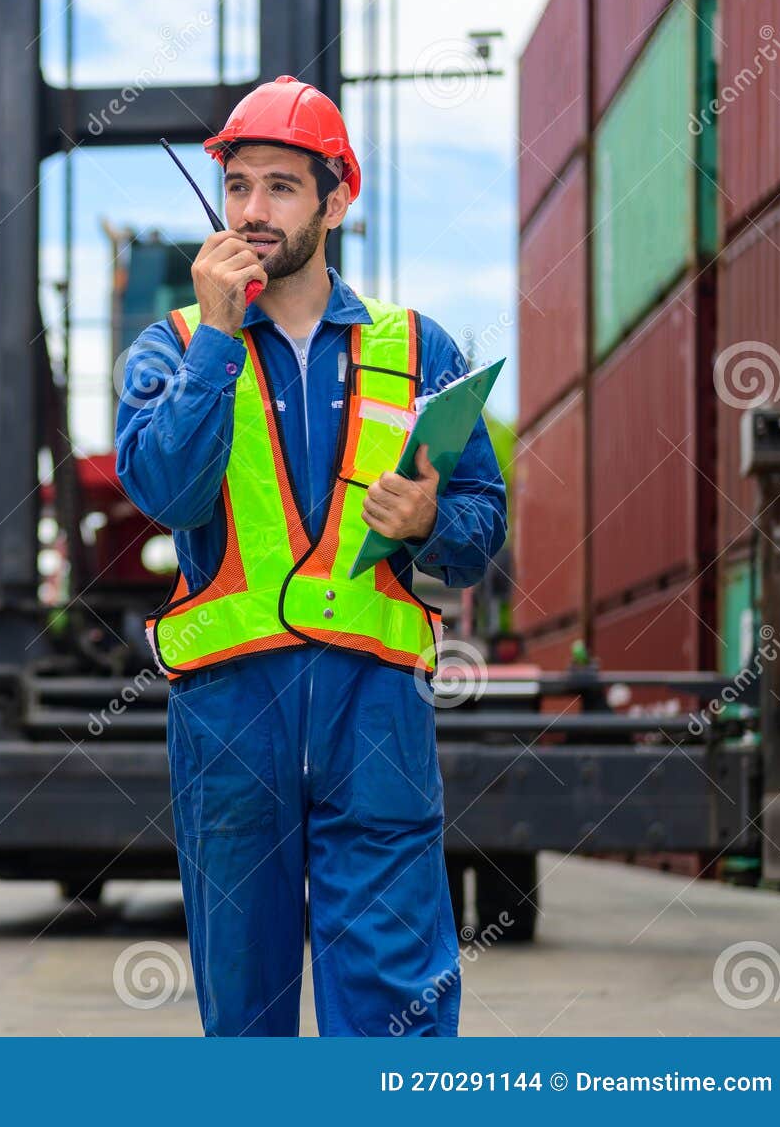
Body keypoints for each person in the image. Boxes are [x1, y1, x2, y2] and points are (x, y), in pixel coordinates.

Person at [115, 76, 507, 1036]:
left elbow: (480, 527)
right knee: (243, 1013)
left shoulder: (417, 347)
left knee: (393, 1000)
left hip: (374, 717)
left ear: (336, 201)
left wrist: (426, 524)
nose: (253, 209)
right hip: (229, 718)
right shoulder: (168, 349)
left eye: (282, 186)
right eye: (239, 183)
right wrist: (218, 333)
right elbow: (166, 493)